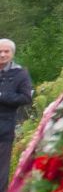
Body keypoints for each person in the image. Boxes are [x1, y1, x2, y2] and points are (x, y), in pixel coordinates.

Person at [0, 40, 32, 182]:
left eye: (6, 51)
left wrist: (2, 96)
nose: (2, 54)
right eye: (0, 51)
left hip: (5, 127)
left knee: (2, 166)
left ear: (12, 53)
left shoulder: (20, 73)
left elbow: (26, 97)